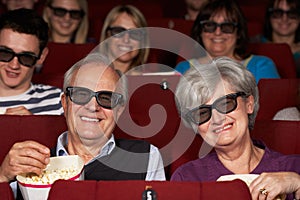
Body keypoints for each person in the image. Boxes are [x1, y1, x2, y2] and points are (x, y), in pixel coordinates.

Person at [0, 52, 165, 199]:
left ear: (119, 109)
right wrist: (2, 177)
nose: (93, 107)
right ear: (65, 103)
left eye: (106, 98)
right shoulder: (29, 162)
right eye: (81, 94)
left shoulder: (145, 156)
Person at [171, 56, 300, 200]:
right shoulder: (187, 178)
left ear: (249, 104)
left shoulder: (294, 167)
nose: (217, 118)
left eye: (225, 104)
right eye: (202, 113)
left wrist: (297, 183)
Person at [175, 0, 280, 84]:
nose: (218, 32)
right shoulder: (183, 69)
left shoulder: (261, 66)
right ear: (200, 31)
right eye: (210, 26)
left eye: (227, 27)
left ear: (238, 33)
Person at [0, 8, 63, 115]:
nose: (14, 65)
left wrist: (33, 126)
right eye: (6, 53)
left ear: (41, 57)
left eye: (26, 57)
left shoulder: (59, 101)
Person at [99, 5, 149, 74]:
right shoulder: (88, 75)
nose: (126, 40)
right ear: (107, 36)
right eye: (118, 31)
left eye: (135, 33)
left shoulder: (151, 81)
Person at [260, 0, 300, 77]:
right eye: (278, 13)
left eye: (292, 14)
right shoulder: (253, 45)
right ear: (269, 16)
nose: (284, 19)